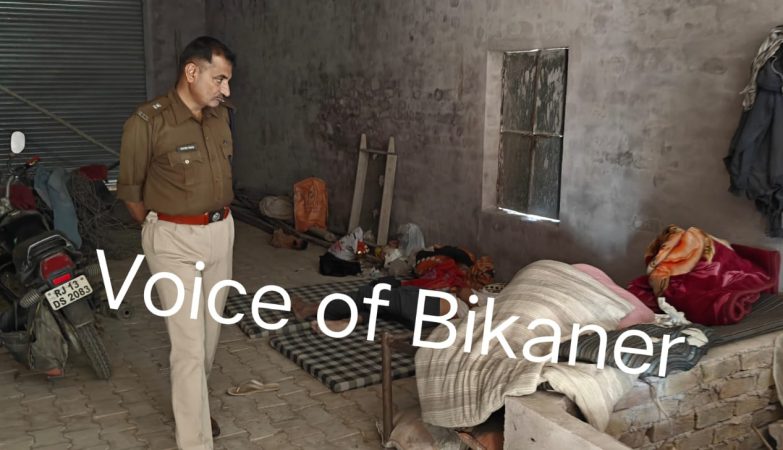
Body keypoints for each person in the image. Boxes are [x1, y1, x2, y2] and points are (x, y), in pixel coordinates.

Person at [117, 36, 236, 450]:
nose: (226, 90)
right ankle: (194, 440)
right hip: (173, 239)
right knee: (188, 346)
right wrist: (166, 224)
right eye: (219, 79)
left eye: (227, 81)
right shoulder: (147, 122)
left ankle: (192, 405)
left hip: (221, 232)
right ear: (191, 72)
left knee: (209, 338)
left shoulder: (220, 118)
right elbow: (131, 194)